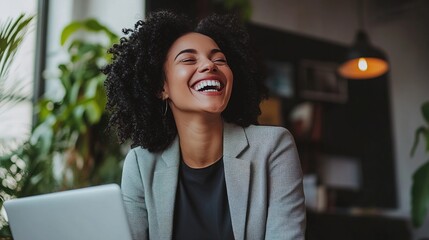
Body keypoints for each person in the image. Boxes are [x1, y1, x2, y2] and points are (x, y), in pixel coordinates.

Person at [103, 10, 306, 240]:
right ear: (161, 88)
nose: (210, 65)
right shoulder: (141, 165)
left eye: (219, 59)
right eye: (189, 59)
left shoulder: (273, 148)